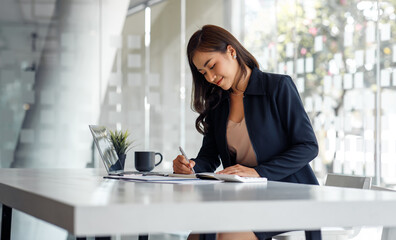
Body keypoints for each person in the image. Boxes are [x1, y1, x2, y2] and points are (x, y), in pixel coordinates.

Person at [173, 24, 322, 240]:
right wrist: (191, 167)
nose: (210, 77)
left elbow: (308, 146)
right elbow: (209, 157)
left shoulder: (278, 87)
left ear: (231, 51)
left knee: (226, 236)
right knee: (197, 236)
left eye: (212, 66)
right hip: (245, 199)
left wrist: (259, 172)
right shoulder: (218, 103)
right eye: (203, 72)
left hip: (290, 196)